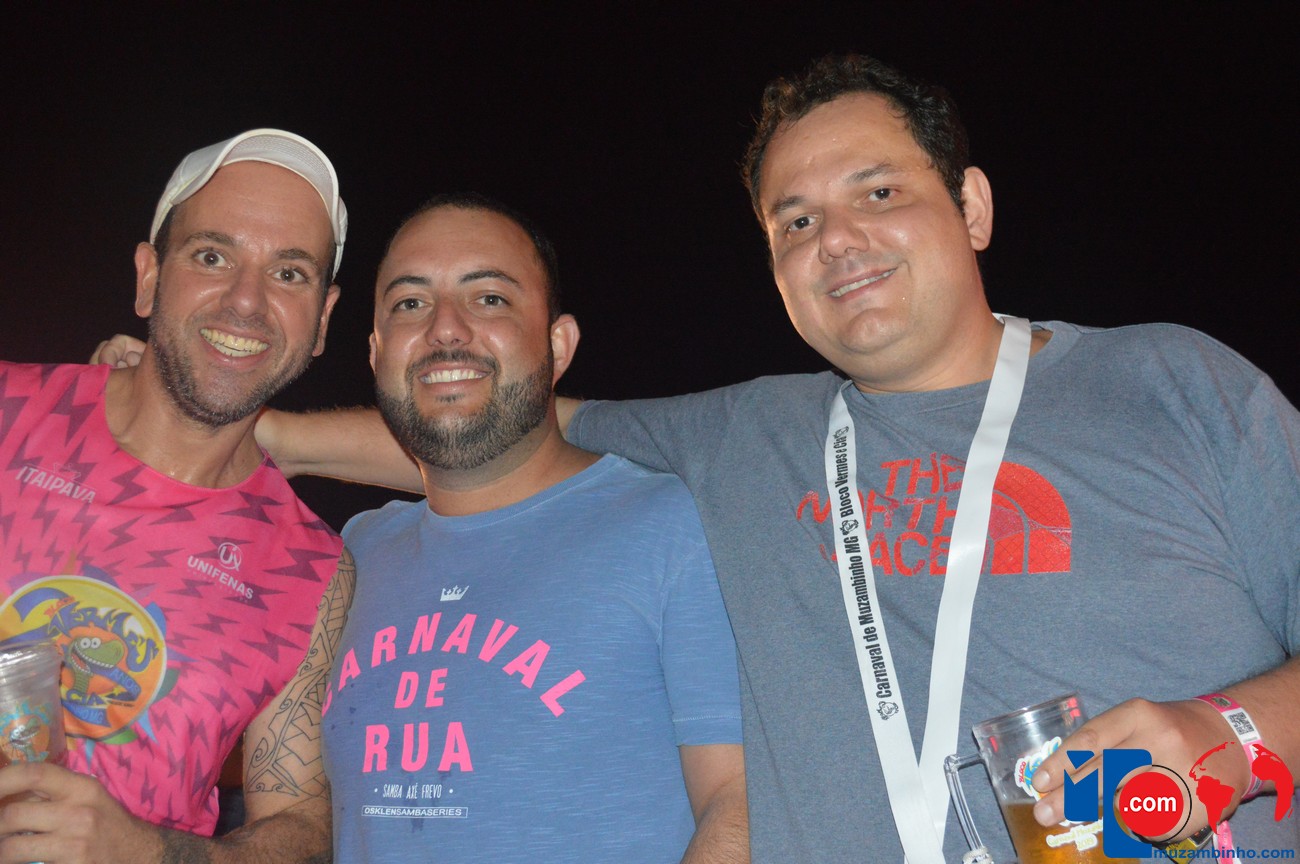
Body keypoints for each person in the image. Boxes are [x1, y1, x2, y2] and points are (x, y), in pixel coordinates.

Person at [109, 56, 1300, 862]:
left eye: (878, 191)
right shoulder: (747, 441)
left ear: (972, 207)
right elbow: (480, 427)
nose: (838, 240)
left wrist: (1230, 736)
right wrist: (238, 426)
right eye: (795, 220)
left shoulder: (1170, 385)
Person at [315, 193, 746, 863]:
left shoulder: (671, 526)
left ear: (558, 345)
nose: (445, 328)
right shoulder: (354, 554)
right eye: (410, 303)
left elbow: (739, 803)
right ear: (376, 352)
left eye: (489, 298)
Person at [0, 129, 354, 864]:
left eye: (289, 273)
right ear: (148, 278)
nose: (247, 300)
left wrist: (147, 852)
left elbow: (302, 828)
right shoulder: (9, 414)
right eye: (213, 256)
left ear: (322, 320)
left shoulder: (311, 570)